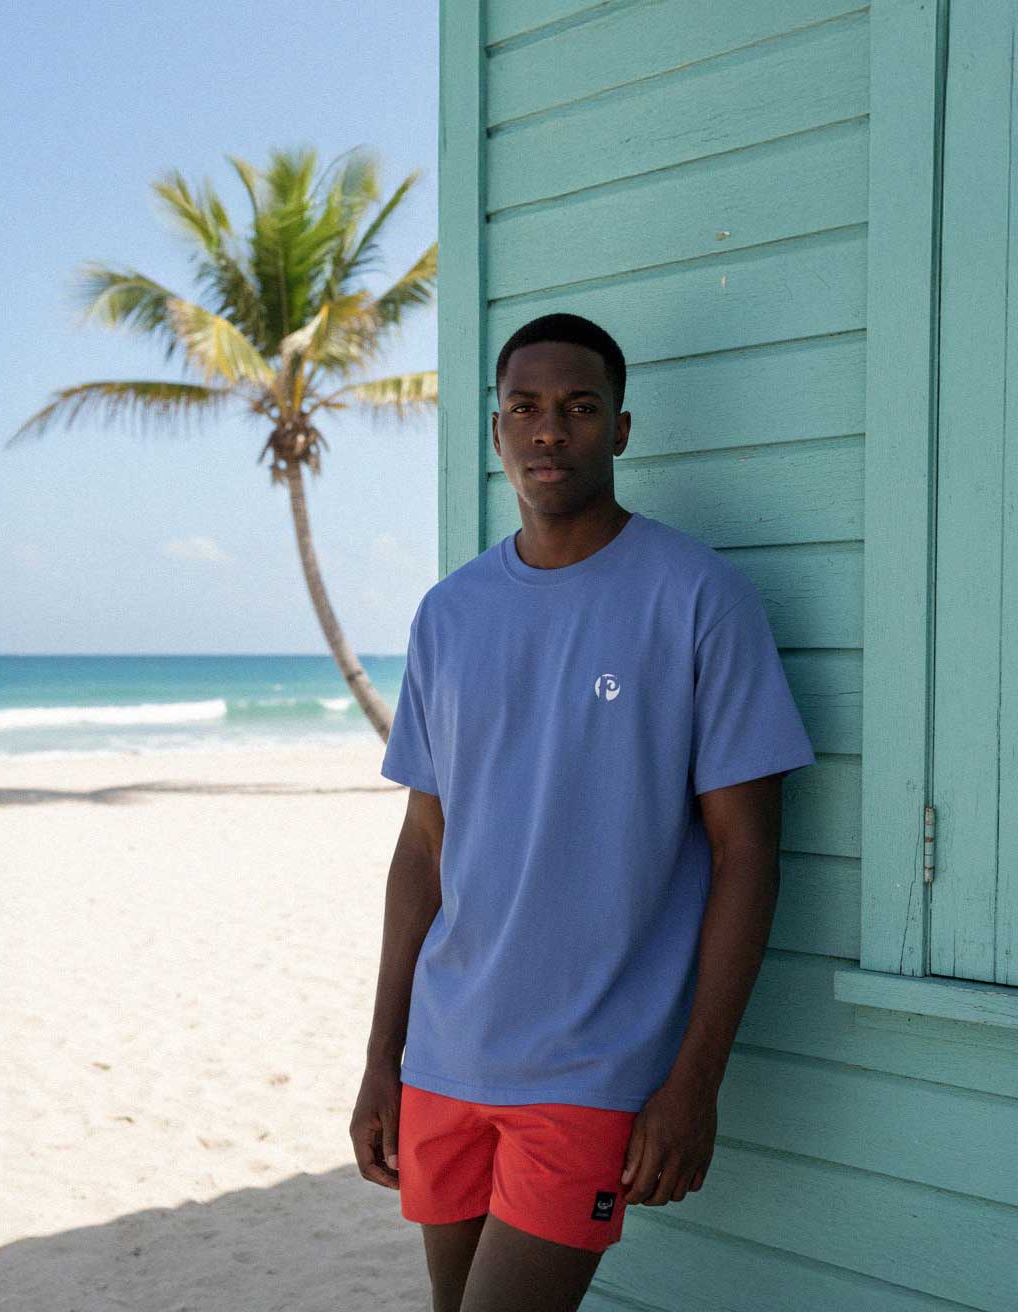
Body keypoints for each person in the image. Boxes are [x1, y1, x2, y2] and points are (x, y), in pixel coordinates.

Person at [349, 311, 817, 1311]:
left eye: (576, 407)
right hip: (445, 1055)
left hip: (590, 1067)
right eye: (524, 407)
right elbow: (423, 851)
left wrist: (695, 1078)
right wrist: (381, 1060)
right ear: (495, 434)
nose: (547, 430)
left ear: (621, 429)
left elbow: (746, 854)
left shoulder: (698, 597)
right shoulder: (450, 612)